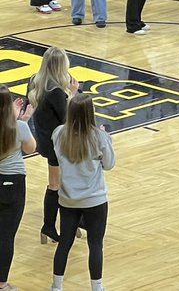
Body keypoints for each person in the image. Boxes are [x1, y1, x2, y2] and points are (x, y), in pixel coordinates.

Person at [50, 94, 115, 291]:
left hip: (68, 200)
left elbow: (61, 158)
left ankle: (56, 286)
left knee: (64, 243)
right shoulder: (99, 137)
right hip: (95, 200)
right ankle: (97, 287)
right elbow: (109, 165)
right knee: (95, 244)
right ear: (90, 113)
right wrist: (106, 139)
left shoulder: (58, 133)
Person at [28, 47, 76, 245]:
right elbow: (68, 118)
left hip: (44, 138)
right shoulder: (56, 91)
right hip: (58, 143)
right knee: (56, 185)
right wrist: (72, 94)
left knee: (63, 182)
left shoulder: (35, 80)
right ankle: (48, 226)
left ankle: (76, 220)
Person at [0, 85, 37, 288]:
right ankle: (2, 284)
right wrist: (21, 120)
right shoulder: (19, 127)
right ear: (8, 106)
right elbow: (31, 148)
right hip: (13, 183)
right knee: (6, 236)